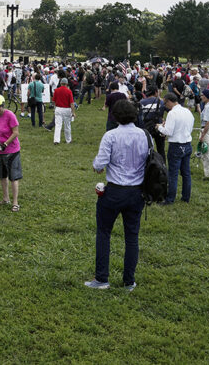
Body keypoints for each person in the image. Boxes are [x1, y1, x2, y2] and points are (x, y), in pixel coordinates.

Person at [85, 99, 147, 291]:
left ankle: (102, 278)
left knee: (104, 233)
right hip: (137, 191)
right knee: (132, 236)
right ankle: (129, 281)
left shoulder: (111, 135)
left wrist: (97, 166)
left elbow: (99, 164)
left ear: (115, 116)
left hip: (114, 191)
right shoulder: (144, 135)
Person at [157, 93, 194, 204]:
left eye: (165, 103)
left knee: (173, 173)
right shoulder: (187, 111)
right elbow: (190, 127)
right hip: (187, 143)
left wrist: (159, 127)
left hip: (176, 145)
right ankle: (186, 197)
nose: (165, 106)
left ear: (169, 101)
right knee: (186, 173)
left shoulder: (172, 113)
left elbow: (168, 131)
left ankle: (170, 199)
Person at [0, 94, 22, 212]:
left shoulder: (10, 115)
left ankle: (15, 202)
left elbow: (16, 132)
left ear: (3, 105)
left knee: (13, 177)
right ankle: (5, 198)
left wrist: (6, 144)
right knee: (2, 176)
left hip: (11, 150)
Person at [52, 77, 75, 144]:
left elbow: (53, 101)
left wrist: (55, 107)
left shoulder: (56, 90)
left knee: (58, 125)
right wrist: (73, 112)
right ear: (67, 84)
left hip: (58, 108)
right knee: (67, 125)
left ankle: (56, 140)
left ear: (61, 83)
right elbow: (71, 103)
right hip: (67, 109)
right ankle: (68, 140)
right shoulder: (69, 91)